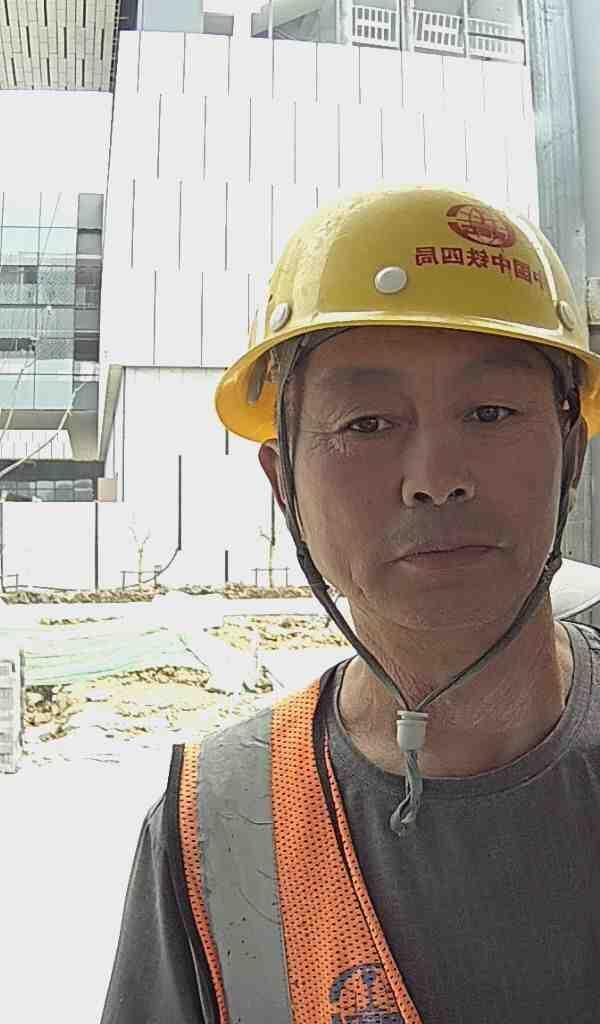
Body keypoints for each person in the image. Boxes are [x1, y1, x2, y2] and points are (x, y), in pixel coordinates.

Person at [100, 186, 600, 1024]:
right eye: (367, 424)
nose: (436, 478)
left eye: (490, 412)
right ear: (283, 483)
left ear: (572, 453)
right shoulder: (217, 830)